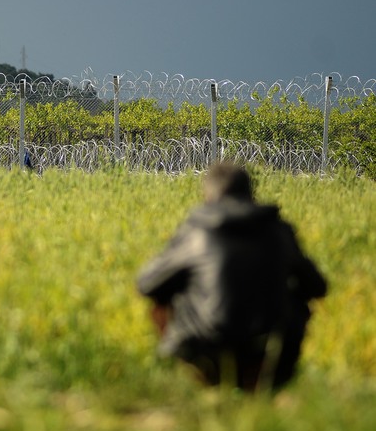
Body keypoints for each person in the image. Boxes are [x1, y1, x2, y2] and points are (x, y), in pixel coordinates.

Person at [136, 163, 327, 392]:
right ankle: (261, 378)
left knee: (165, 296)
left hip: (206, 348)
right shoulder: (278, 230)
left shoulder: (196, 232)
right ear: (251, 193)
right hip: (268, 349)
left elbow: (147, 283)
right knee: (299, 299)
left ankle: (197, 377)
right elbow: (317, 287)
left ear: (208, 194)